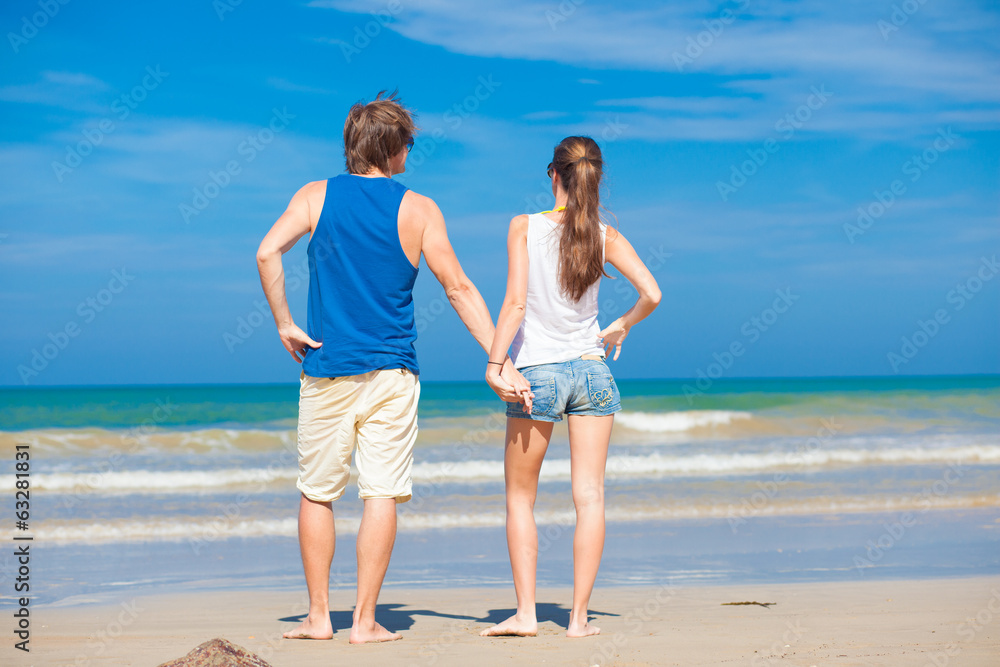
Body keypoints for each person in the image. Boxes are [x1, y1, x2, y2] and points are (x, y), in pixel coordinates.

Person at [256, 91, 529, 644]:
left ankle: (316, 618)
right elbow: (458, 289)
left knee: (317, 492)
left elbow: (266, 253)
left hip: (325, 367)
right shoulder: (420, 209)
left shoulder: (314, 196)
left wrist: (284, 321)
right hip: (392, 374)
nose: (411, 151)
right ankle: (363, 623)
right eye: (408, 142)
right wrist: (497, 360)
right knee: (379, 494)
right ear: (393, 147)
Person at [481, 136, 661, 638]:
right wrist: (622, 325)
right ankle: (579, 620)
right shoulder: (604, 235)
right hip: (591, 371)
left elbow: (516, 304)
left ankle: (526, 615)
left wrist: (496, 363)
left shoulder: (525, 227)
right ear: (594, 179)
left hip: (537, 373)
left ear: (552, 175)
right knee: (591, 497)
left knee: (521, 498)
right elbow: (653, 293)